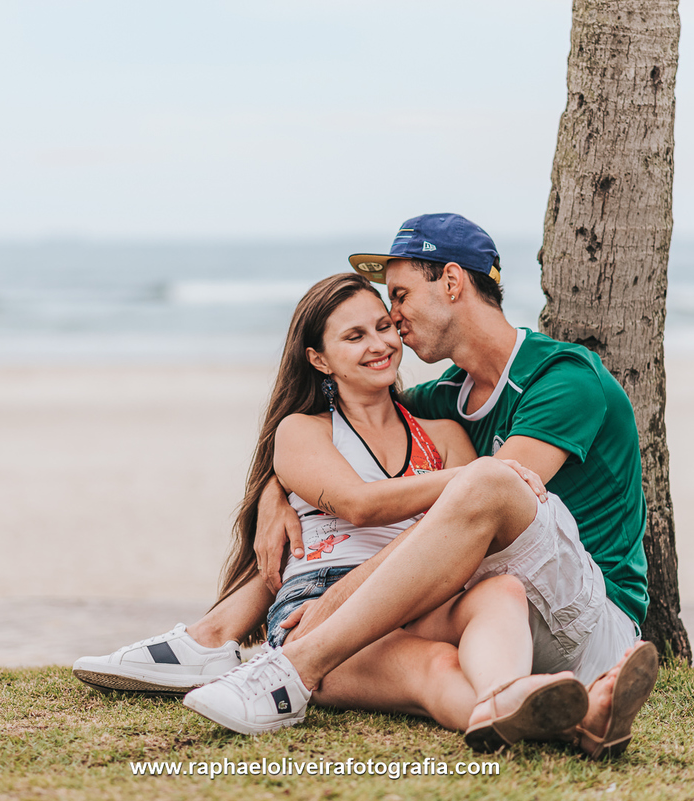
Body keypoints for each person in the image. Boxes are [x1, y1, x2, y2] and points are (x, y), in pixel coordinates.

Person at [184, 213, 660, 759]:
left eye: (401, 295)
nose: (393, 316)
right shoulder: (443, 400)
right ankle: (554, 716)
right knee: (485, 536)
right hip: (500, 625)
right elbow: (343, 426)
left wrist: (339, 597)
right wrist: (275, 490)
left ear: (452, 283)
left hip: (588, 623)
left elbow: (495, 494)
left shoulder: (565, 380)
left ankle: (296, 666)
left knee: (492, 480)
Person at [74, 273, 585, 739]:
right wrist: (473, 477)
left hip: (413, 596)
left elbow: (467, 532)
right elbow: (359, 505)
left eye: (384, 327)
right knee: (433, 668)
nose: (380, 344)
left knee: (502, 590)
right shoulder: (302, 432)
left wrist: (469, 481)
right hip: (318, 609)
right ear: (319, 359)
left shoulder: (444, 435)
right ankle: (544, 723)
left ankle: (509, 698)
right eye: (354, 336)